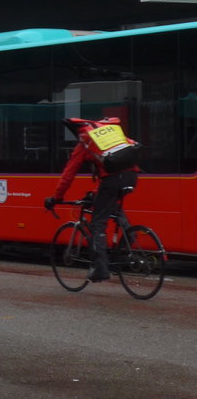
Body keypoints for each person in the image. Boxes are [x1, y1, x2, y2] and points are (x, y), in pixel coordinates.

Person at [44, 117, 141, 282]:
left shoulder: (85, 144)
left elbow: (68, 175)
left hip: (112, 180)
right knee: (108, 202)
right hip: (131, 176)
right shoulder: (108, 134)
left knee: (97, 223)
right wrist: (95, 193)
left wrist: (56, 198)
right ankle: (129, 235)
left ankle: (100, 269)